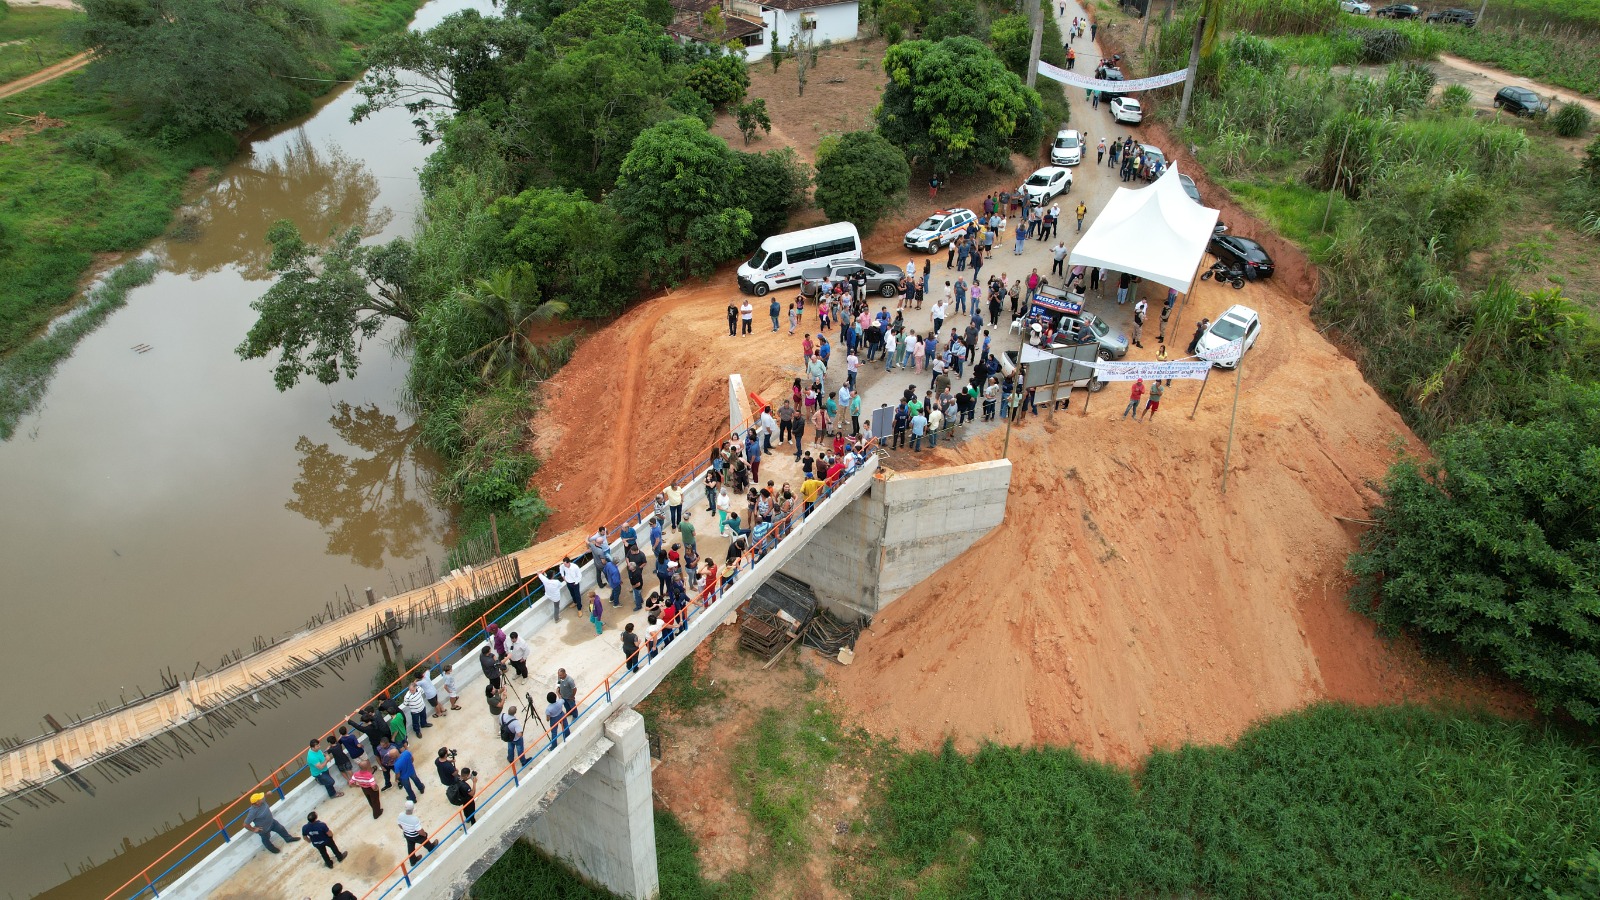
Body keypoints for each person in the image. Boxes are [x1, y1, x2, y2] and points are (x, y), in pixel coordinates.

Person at [397, 800, 437, 865]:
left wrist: (405, 830)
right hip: (416, 836)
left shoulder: (400, 815)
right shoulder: (414, 819)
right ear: (412, 809)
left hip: (407, 835)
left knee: (410, 848)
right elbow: (419, 831)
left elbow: (399, 825)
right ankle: (431, 848)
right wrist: (424, 834)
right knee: (424, 840)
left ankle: (412, 861)